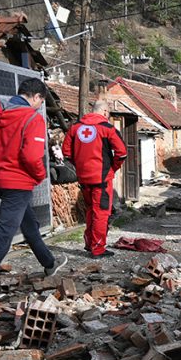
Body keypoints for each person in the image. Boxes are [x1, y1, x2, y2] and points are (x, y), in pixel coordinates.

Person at [0, 78, 66, 302]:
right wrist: (40, 175)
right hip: (18, 183)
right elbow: (31, 157)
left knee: (28, 223)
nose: (39, 106)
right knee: (3, 234)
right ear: (37, 97)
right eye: (40, 102)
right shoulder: (33, 118)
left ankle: (49, 263)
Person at [63, 100, 128, 258]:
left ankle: (89, 243)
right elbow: (122, 153)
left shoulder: (75, 127)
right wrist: (113, 168)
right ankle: (98, 248)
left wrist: (80, 167)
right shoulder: (107, 129)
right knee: (101, 213)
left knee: (91, 210)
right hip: (102, 179)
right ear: (105, 112)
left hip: (83, 179)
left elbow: (66, 153)